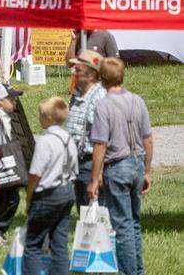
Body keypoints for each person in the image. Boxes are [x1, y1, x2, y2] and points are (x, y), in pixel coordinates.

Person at [88, 57, 153, 275]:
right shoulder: (138, 100)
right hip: (136, 163)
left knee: (123, 225)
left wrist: (95, 179)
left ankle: (129, 272)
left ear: (101, 79)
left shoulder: (103, 105)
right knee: (134, 222)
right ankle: (138, 269)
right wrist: (147, 170)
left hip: (118, 166)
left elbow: (100, 145)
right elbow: (148, 139)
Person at [22, 97, 77, 275]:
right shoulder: (68, 138)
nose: (39, 118)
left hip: (47, 195)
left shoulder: (45, 141)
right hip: (66, 191)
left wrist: (29, 198)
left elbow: (35, 173)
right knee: (59, 243)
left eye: (41, 115)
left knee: (33, 244)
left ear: (48, 118)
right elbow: (74, 168)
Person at [66, 50, 107, 206]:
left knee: (95, 212)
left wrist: (98, 174)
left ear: (91, 75)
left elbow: (103, 140)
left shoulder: (99, 97)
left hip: (91, 163)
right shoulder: (78, 94)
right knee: (83, 208)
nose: (74, 71)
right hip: (79, 163)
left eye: (78, 69)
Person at [0, 82, 23, 246]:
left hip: (3, 165)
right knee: (11, 199)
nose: (14, 102)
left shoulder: (4, 116)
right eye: (11, 99)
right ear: (0, 100)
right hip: (2, 165)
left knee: (1, 199)